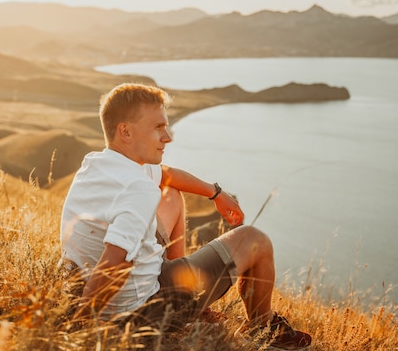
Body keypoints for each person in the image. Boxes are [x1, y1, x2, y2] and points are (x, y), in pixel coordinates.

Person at [60, 83, 312, 350]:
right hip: (144, 313)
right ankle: (263, 330)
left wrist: (215, 193)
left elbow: (166, 175)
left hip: (91, 287)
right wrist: (81, 330)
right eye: (158, 128)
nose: (167, 137)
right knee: (255, 239)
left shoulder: (96, 164)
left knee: (171, 195)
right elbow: (115, 263)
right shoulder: (137, 187)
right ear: (125, 131)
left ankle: (191, 295)